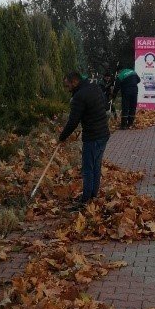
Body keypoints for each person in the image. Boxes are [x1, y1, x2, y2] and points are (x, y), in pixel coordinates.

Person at [58, 71, 110, 209]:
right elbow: (105, 105)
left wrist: (62, 137)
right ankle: (93, 196)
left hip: (93, 136)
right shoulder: (94, 87)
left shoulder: (79, 96)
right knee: (96, 166)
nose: (66, 88)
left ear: (74, 82)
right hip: (103, 133)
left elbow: (73, 121)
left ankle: (85, 200)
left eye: (67, 85)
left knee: (88, 169)